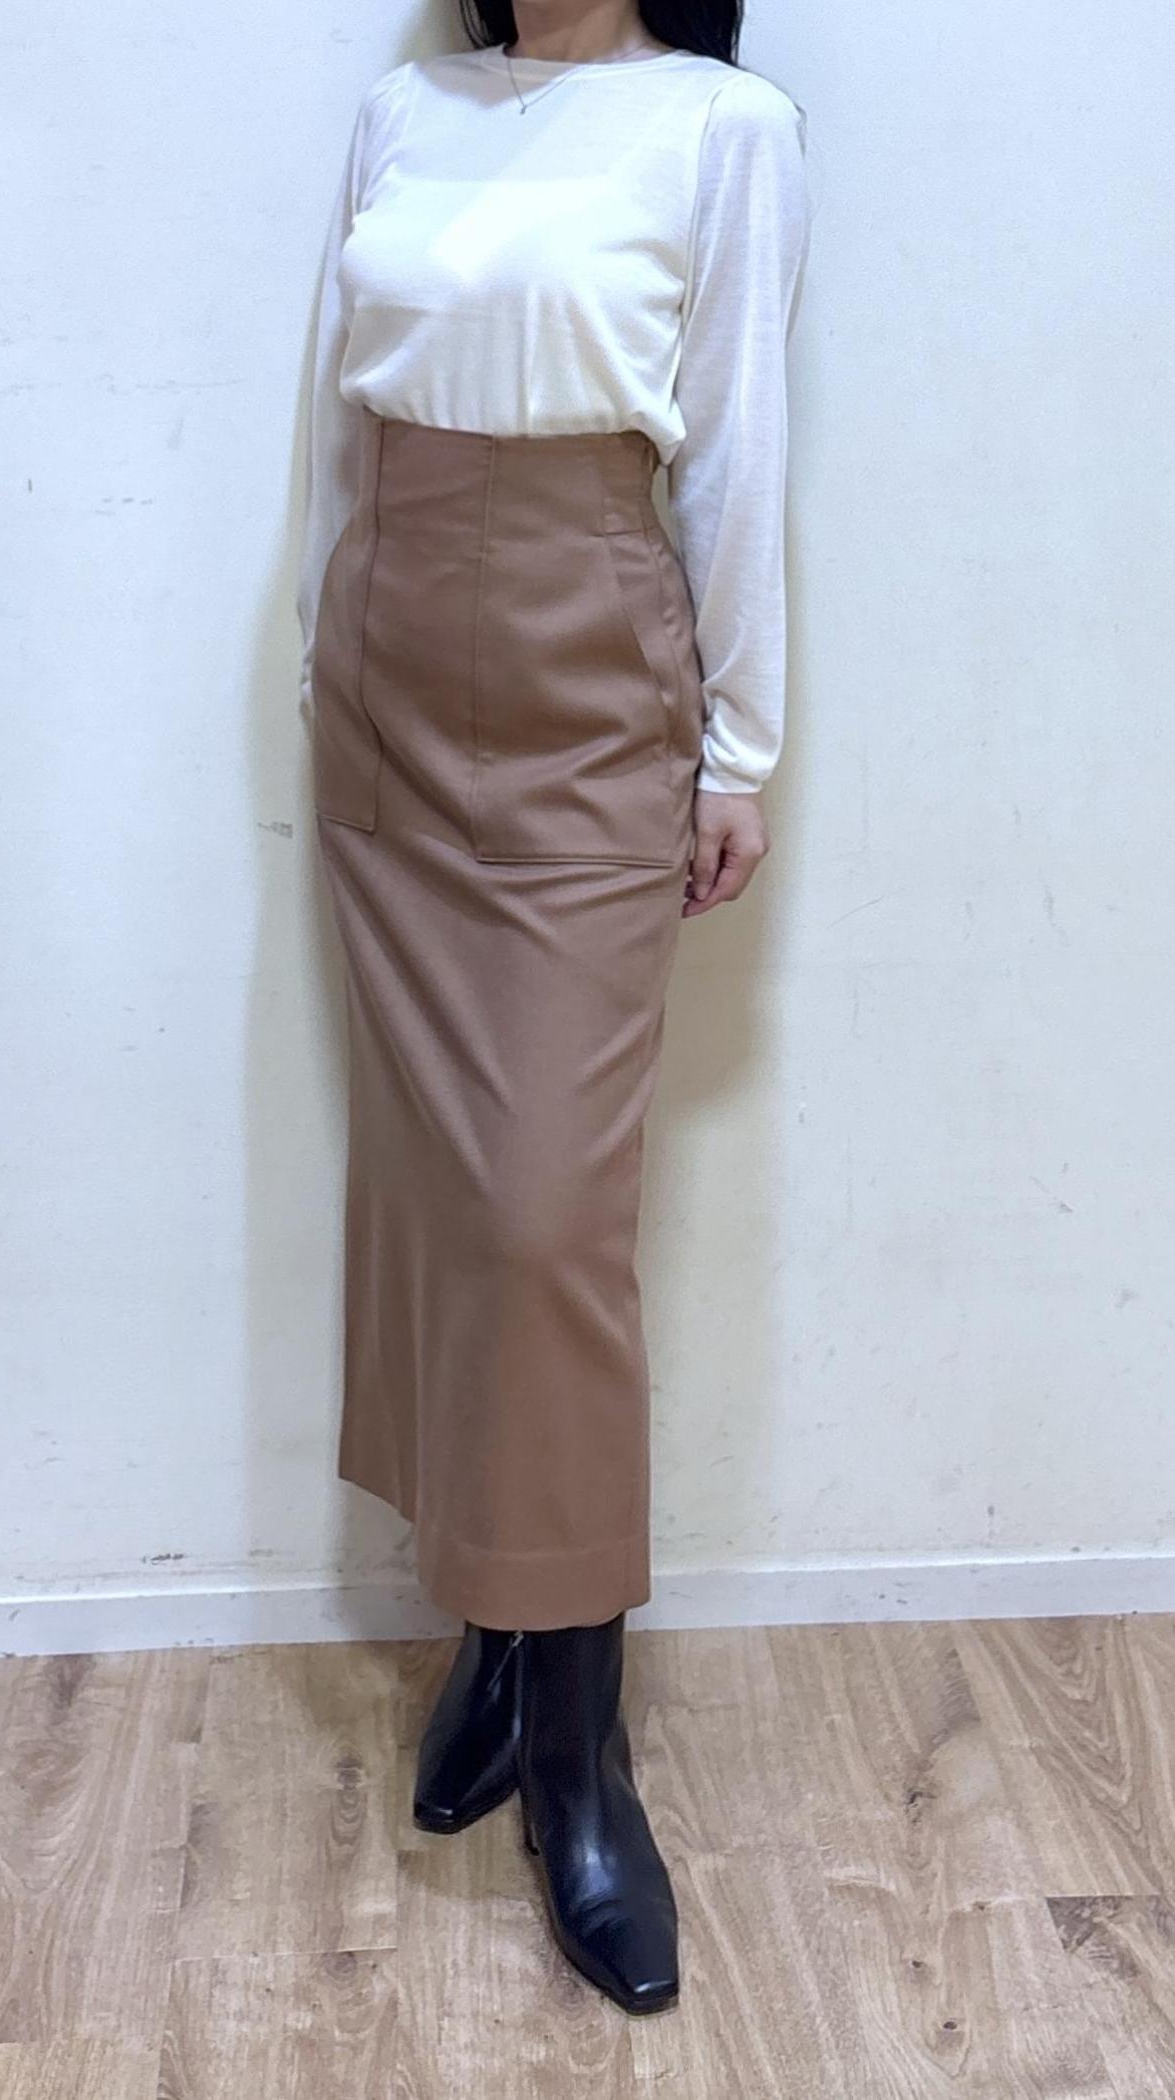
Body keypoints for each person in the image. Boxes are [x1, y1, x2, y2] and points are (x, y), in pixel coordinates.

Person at [295, 0, 810, 2016]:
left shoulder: (723, 127)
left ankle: (584, 1755)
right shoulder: (404, 110)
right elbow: (340, 416)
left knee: (544, 1220)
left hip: (594, 680)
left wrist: (741, 746)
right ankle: (497, 1637)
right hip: (390, 668)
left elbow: (740, 433)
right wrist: (326, 655)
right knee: (445, 1197)